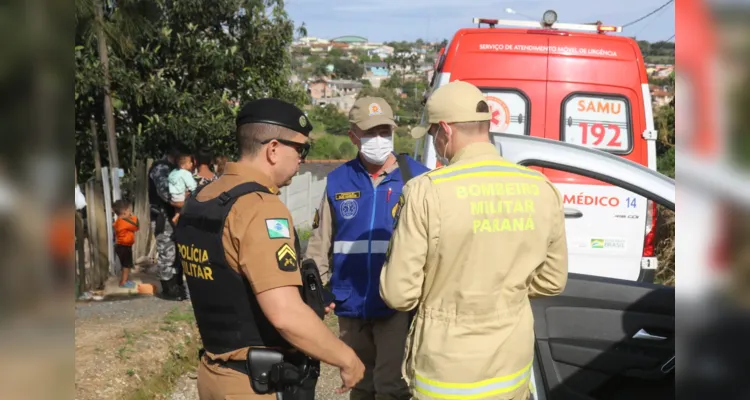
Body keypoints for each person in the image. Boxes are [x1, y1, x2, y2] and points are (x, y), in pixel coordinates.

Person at [379, 81, 569, 400]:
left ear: (445, 131)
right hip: (511, 364)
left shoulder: (427, 191)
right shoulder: (540, 187)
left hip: (445, 371)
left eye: (432, 135)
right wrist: (504, 294)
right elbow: (552, 281)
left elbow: (399, 294)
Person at [173, 98, 365, 400]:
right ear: (273, 149)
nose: (301, 159)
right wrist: (347, 358)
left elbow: (230, 281)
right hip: (252, 385)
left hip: (214, 374)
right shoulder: (260, 209)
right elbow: (285, 314)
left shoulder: (203, 198)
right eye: (301, 149)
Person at [304, 97, 428, 400]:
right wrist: (315, 294)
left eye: (384, 131)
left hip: (397, 304)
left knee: (391, 386)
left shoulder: (418, 177)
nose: (378, 139)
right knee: (359, 383)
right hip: (350, 303)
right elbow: (321, 242)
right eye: (370, 132)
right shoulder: (337, 180)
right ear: (353, 136)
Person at [148, 144, 189, 300]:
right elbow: (167, 194)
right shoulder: (160, 169)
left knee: (177, 253)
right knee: (167, 252)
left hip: (174, 215)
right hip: (162, 217)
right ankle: (168, 289)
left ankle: (177, 286)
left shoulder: (174, 169)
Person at [112, 199, 140, 288]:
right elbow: (136, 226)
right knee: (126, 265)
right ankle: (123, 282)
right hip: (124, 247)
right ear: (124, 212)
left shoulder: (119, 221)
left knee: (125, 264)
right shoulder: (125, 222)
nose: (130, 213)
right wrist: (133, 216)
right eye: (129, 211)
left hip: (121, 246)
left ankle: (125, 280)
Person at [168, 154, 198, 225]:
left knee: (177, 210)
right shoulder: (186, 173)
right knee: (186, 208)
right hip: (180, 196)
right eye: (189, 162)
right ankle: (177, 218)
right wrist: (195, 191)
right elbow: (192, 186)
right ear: (183, 165)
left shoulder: (174, 172)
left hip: (173, 196)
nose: (191, 164)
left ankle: (176, 220)